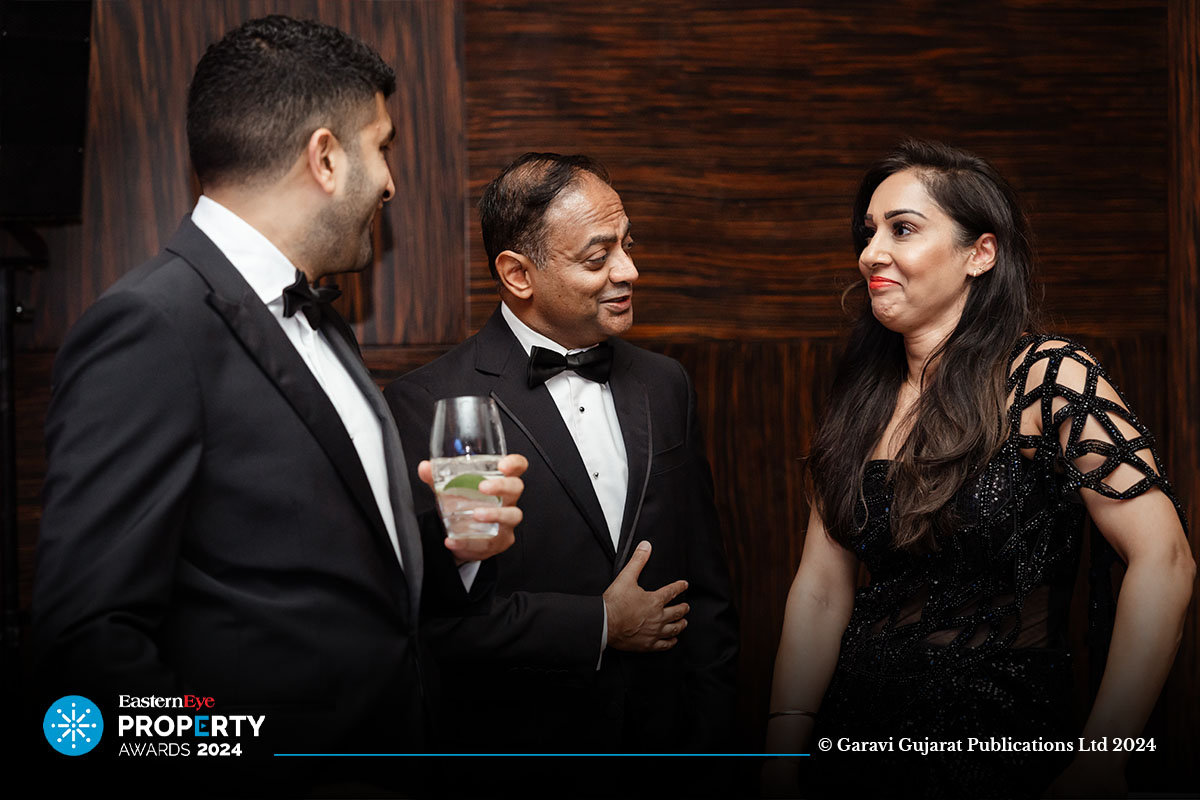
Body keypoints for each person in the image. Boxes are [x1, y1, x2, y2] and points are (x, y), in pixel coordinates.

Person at [33, 15, 525, 783]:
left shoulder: (326, 321)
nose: (391, 181)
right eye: (383, 146)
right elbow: (87, 644)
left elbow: (324, 568)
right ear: (325, 157)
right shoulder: (150, 327)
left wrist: (456, 547)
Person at [765, 140, 1193, 798]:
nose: (871, 252)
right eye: (868, 232)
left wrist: (1104, 756)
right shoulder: (861, 398)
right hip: (854, 744)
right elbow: (821, 589)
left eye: (902, 229)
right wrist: (781, 751)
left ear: (980, 253)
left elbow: (1164, 560)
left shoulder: (1047, 377)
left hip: (1001, 743)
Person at [385, 153, 739, 764]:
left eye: (627, 245)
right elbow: (443, 618)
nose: (629, 270)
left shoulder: (665, 384)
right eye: (597, 258)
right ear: (518, 274)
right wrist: (599, 623)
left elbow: (708, 586)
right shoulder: (435, 405)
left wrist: (716, 747)